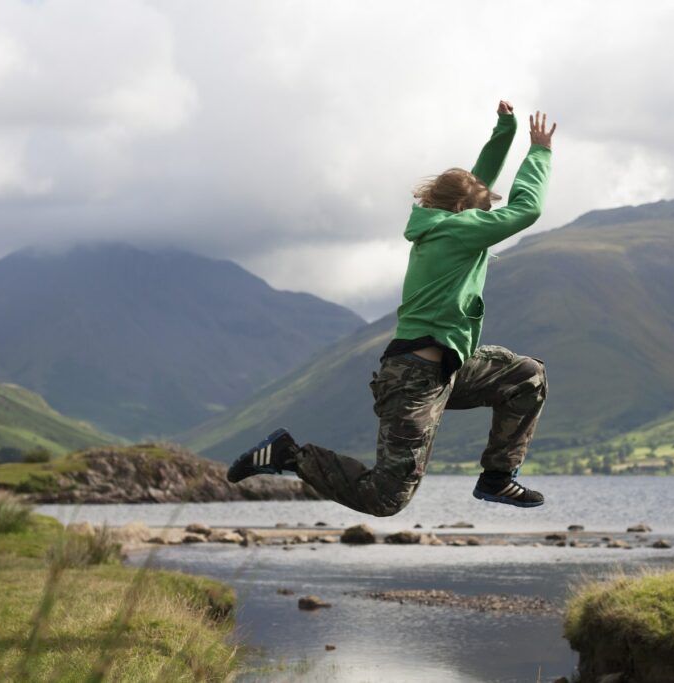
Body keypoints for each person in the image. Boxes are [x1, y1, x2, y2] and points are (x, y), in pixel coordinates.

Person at [227, 100, 556, 516]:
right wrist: (539, 151)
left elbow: (476, 184)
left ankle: (496, 478)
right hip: (414, 379)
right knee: (386, 498)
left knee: (526, 376)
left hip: (451, 367)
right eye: (483, 209)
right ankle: (290, 455)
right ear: (463, 211)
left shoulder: (445, 221)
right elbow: (528, 209)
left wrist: (505, 131)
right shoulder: (456, 230)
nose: (488, 216)